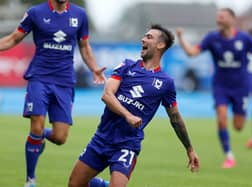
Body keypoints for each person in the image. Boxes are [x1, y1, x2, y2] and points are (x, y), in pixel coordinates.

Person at [68, 24, 200, 187]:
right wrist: (128, 115)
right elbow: (107, 95)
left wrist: (190, 149)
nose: (143, 39)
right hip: (102, 138)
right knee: (74, 184)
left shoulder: (166, 83)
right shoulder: (127, 65)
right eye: (144, 36)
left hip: (127, 144)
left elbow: (175, 118)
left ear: (160, 45)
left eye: (149, 37)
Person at [0, 1, 106, 187]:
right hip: (39, 77)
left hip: (64, 82)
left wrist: (94, 68)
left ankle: (38, 137)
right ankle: (30, 179)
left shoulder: (79, 15)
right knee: (36, 126)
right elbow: (14, 38)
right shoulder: (35, 12)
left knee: (60, 137)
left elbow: (84, 45)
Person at [176, 8, 252, 168]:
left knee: (238, 126)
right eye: (218, 17)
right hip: (221, 86)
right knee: (222, 117)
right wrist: (181, 38)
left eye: (222, 17)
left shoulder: (244, 38)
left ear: (232, 19)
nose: (219, 20)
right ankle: (229, 156)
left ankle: (237, 122)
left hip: (241, 87)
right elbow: (191, 53)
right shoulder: (212, 38)